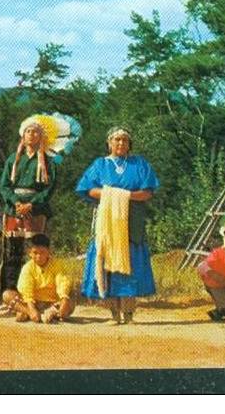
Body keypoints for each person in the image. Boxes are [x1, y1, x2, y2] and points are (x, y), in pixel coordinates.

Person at [76, 127, 159, 325]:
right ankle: (113, 314)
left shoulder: (139, 164)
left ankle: (129, 314)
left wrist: (125, 196)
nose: (120, 143)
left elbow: (147, 192)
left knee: (130, 264)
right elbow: (88, 189)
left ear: (129, 144)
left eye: (124, 140)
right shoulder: (100, 164)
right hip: (107, 222)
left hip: (132, 221)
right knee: (107, 263)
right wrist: (112, 194)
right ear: (109, 143)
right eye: (116, 140)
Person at [0, 117, 57, 292]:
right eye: (28, 131)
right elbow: (4, 185)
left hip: (36, 210)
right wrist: (16, 202)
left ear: (41, 137)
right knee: (12, 252)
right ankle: (10, 291)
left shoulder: (47, 162)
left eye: (36, 132)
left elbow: (50, 187)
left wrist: (31, 204)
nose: (31, 135)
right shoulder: (13, 160)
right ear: (23, 136)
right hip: (13, 209)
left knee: (37, 251)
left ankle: (37, 291)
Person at [1, 234, 75, 323]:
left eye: (42, 252)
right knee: (7, 295)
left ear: (49, 252)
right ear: (30, 253)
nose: (39, 256)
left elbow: (63, 285)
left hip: (53, 303)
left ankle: (46, 313)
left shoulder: (58, 265)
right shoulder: (27, 267)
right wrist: (31, 309)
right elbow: (26, 292)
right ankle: (30, 313)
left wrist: (64, 301)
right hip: (33, 303)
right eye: (35, 253)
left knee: (70, 300)